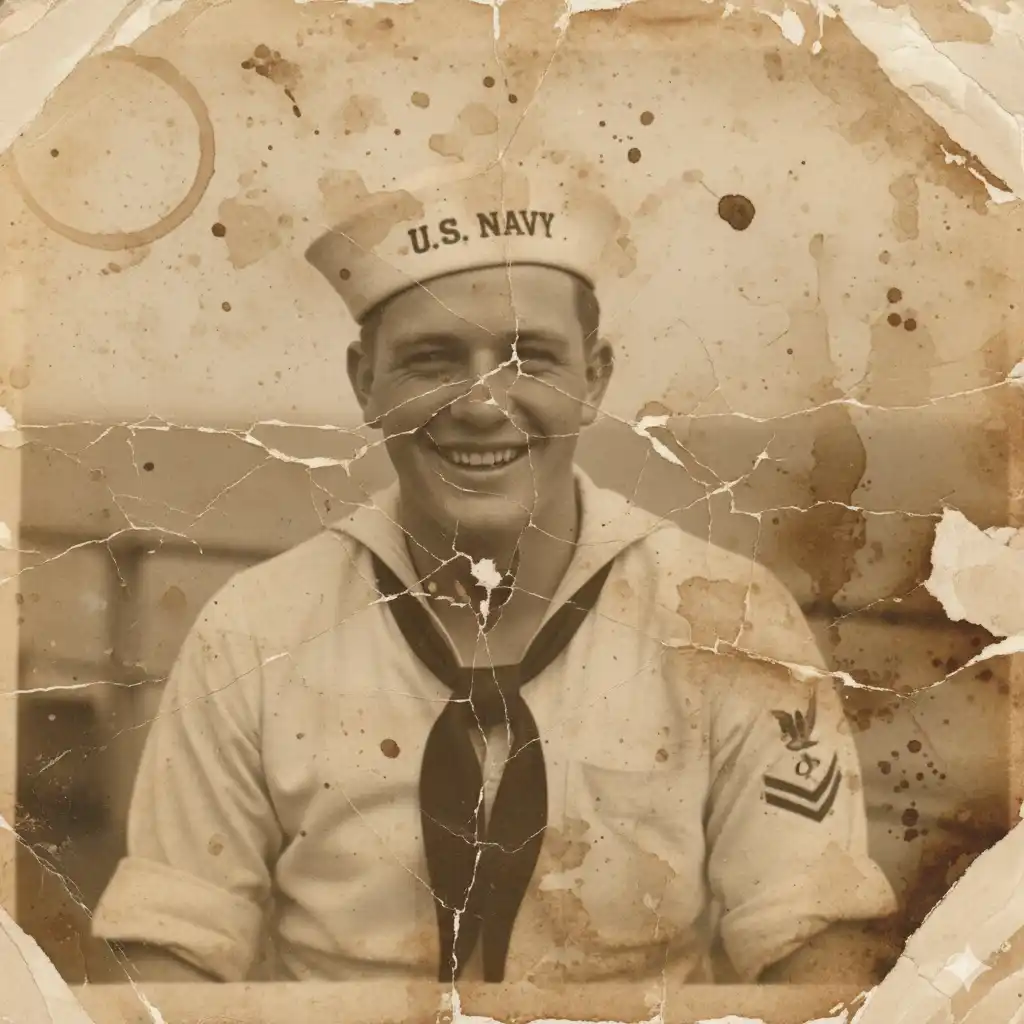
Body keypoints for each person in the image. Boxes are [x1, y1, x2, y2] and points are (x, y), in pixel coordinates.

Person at [92, 162, 897, 985]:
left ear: (596, 379)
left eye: (531, 359)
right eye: (432, 360)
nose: (482, 402)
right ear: (364, 382)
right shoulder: (254, 628)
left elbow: (815, 942)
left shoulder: (727, 620)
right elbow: (175, 942)